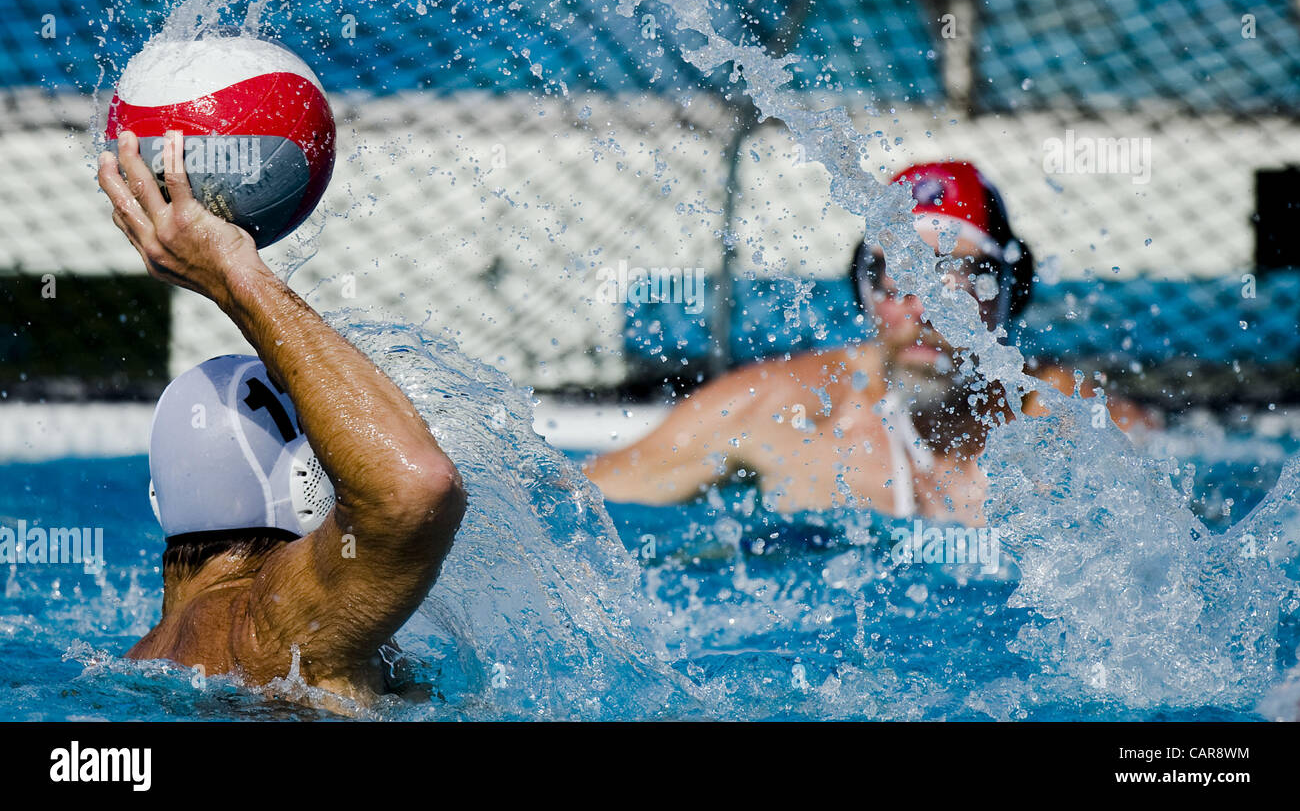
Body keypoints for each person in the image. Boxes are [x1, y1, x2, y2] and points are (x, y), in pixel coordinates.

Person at [97, 130, 466, 704]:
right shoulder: (275, 625)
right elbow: (414, 488)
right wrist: (232, 275)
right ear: (313, 482)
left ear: (158, 497)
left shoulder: (138, 664)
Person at [584, 160, 1149, 525]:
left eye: (954, 275)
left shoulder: (1071, 425)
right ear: (864, 291)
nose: (921, 308)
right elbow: (575, 505)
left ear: (1008, 291)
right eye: (896, 276)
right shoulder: (779, 410)